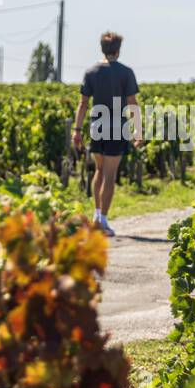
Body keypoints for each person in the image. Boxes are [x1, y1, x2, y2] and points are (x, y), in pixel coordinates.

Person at [71, 31, 142, 236]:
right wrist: (138, 130)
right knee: (110, 176)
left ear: (102, 48)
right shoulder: (125, 73)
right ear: (118, 51)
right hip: (117, 128)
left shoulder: (91, 71)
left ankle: (96, 214)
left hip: (96, 127)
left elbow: (83, 103)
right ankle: (102, 221)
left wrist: (76, 129)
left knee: (100, 172)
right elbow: (132, 103)